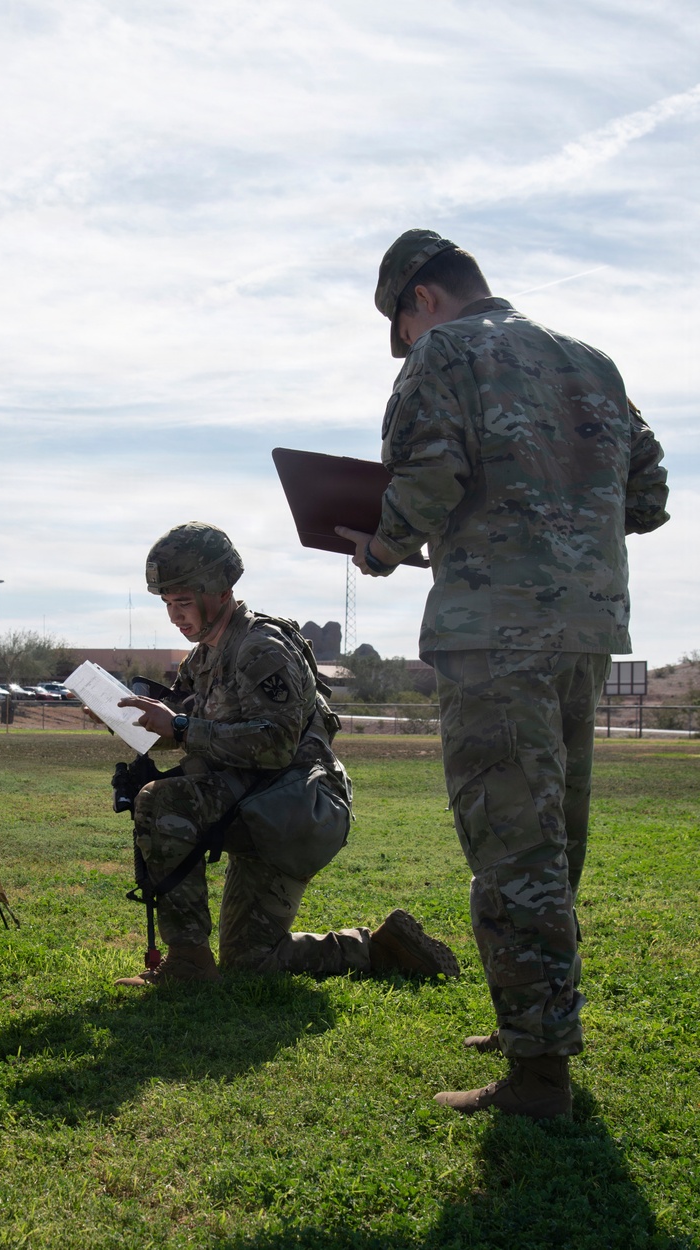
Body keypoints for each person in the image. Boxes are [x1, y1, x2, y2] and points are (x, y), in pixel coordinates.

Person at [337, 229, 669, 1119]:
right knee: (552, 840)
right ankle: (534, 1023)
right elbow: (649, 495)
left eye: (400, 328)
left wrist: (381, 547)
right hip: (584, 630)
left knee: (512, 844)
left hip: (493, 633)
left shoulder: (446, 352)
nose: (406, 345)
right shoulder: (591, 360)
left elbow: (430, 476)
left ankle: (539, 1077)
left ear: (422, 301)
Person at [114, 520, 461, 987]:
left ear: (218, 591)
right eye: (167, 604)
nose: (175, 615)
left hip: (293, 808)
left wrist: (178, 725)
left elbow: (274, 745)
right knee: (248, 956)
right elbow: (192, 731)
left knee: (165, 805)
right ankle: (371, 948)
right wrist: (134, 721)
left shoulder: (261, 647)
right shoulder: (203, 658)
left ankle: (194, 964)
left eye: (182, 602)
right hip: (250, 802)